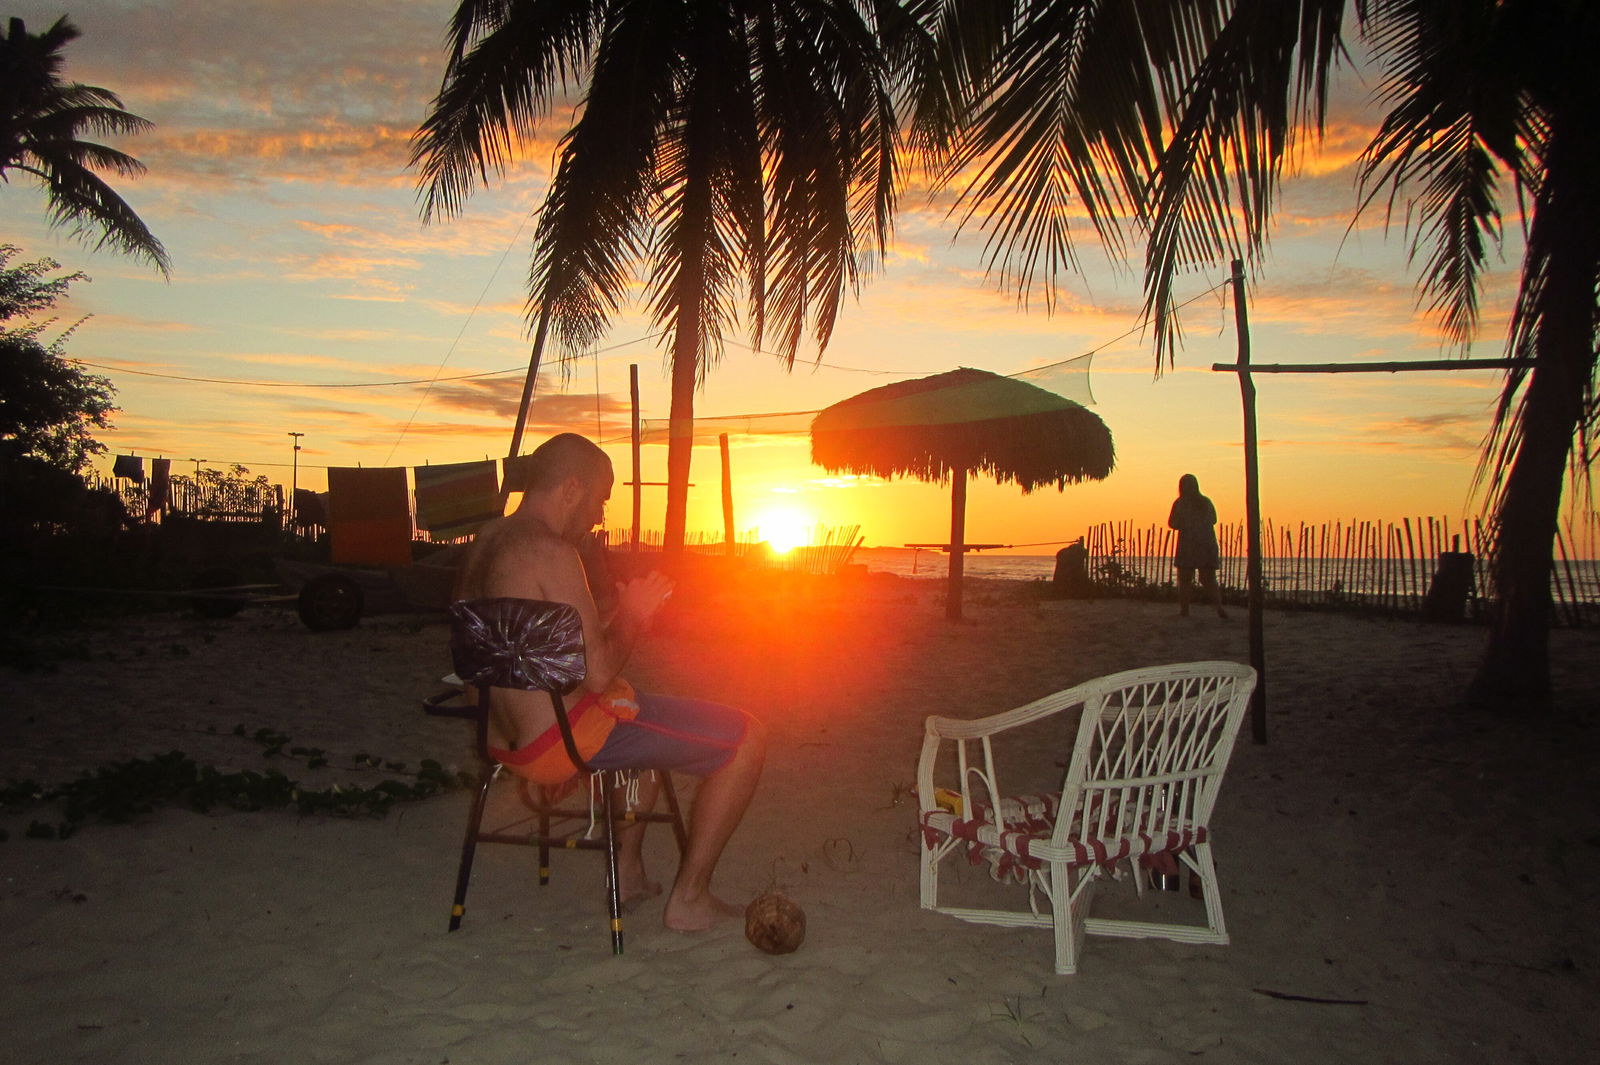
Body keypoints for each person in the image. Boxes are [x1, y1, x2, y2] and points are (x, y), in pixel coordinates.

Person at [452, 433, 766, 932]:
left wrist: (619, 611)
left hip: (499, 742)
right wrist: (638, 617)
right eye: (599, 501)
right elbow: (599, 674)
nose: (599, 515)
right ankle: (691, 898)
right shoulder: (551, 552)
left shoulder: (487, 542)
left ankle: (631, 870)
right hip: (562, 744)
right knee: (747, 736)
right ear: (572, 489)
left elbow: (531, 652)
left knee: (630, 701)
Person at [1168, 473, 1227, 619]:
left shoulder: (1180, 503)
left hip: (1188, 545)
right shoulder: (1206, 502)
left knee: (1185, 579)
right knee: (1209, 579)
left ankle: (1185, 610)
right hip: (1206, 544)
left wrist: (1186, 524)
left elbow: (1172, 523)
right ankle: (1219, 607)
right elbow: (1213, 519)